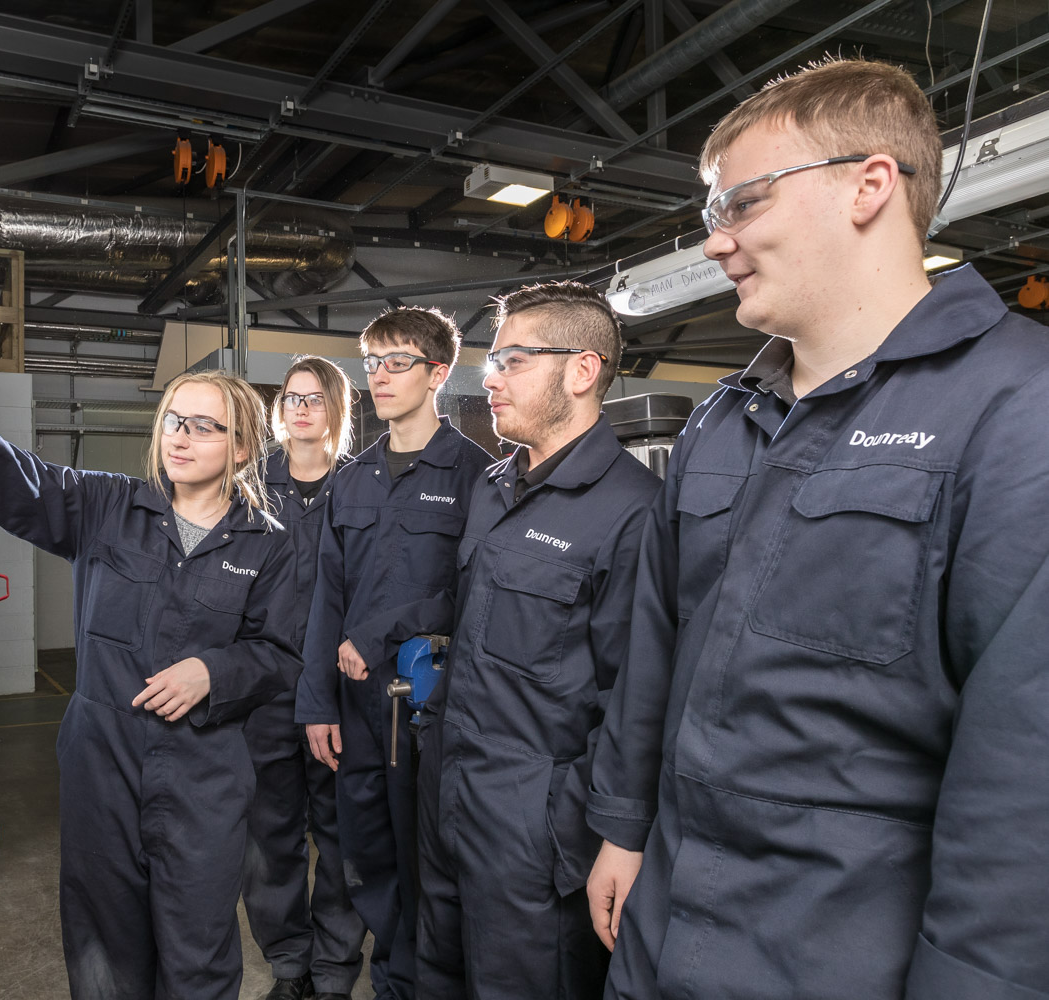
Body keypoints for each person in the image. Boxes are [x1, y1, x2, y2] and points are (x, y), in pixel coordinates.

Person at [584, 58, 1049, 999]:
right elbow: (653, 654)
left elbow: (1023, 779)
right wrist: (623, 827)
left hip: (841, 955)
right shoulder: (725, 416)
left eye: (741, 203)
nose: (715, 242)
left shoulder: (1015, 408)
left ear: (869, 186)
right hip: (663, 925)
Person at [0, 368, 302, 1000]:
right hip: (101, 760)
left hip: (203, 772)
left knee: (199, 951)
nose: (180, 438)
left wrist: (214, 671)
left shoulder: (269, 545)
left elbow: (283, 654)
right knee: (104, 944)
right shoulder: (108, 505)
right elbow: (30, 484)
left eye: (205, 426)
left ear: (242, 447)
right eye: (172, 421)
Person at [347, 283, 660, 998]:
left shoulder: (633, 514)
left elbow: (637, 698)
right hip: (449, 792)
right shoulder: (493, 488)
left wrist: (592, 828)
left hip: (535, 823)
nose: (488, 378)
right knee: (441, 973)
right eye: (492, 361)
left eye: (513, 360)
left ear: (581, 370)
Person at [297, 306, 495, 1000]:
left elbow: (473, 593)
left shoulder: (477, 475)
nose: (378, 377)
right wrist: (315, 703)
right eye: (371, 362)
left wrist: (383, 632)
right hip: (354, 713)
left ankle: (423, 986)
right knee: (365, 861)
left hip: (430, 716)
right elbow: (328, 596)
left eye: (397, 362)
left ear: (437, 373)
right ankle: (392, 982)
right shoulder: (351, 479)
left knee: (428, 868)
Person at [242, 356, 367, 1000]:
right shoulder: (251, 484)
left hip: (340, 696)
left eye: (315, 399)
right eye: (291, 398)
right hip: (264, 693)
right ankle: (290, 967)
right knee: (270, 839)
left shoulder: (361, 485)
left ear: (337, 411)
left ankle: (335, 970)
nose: (301, 408)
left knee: (343, 839)